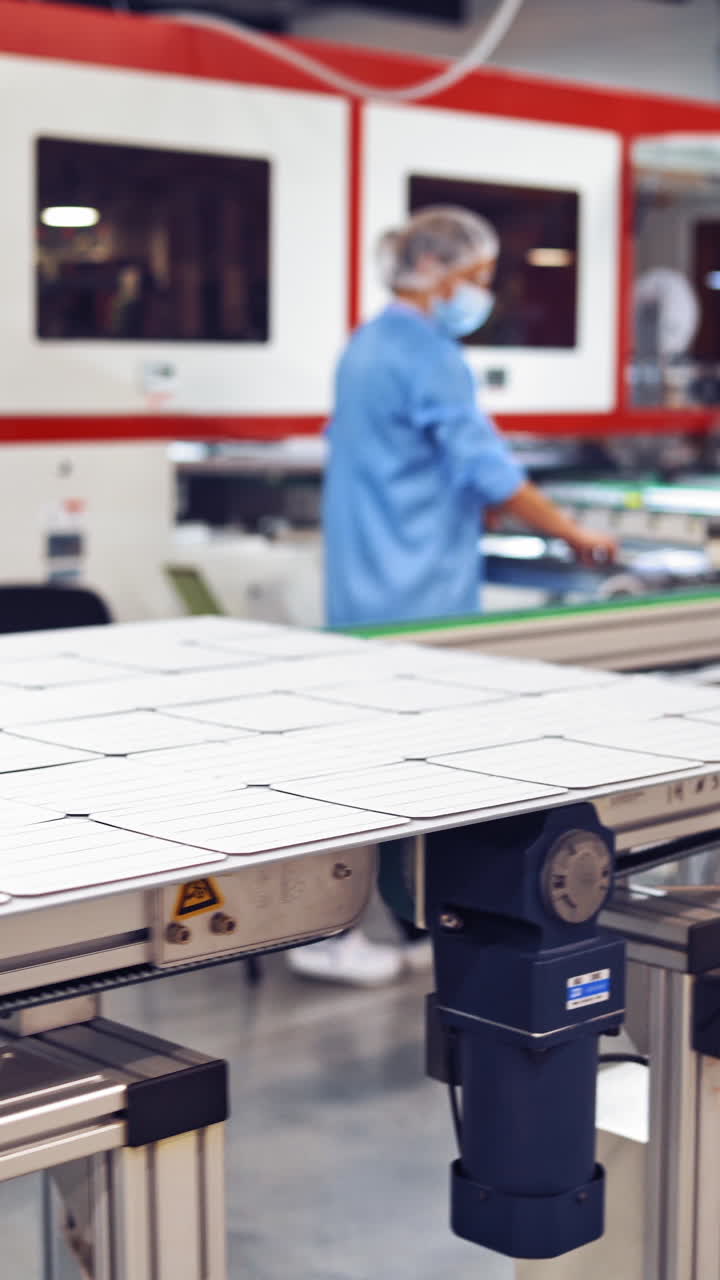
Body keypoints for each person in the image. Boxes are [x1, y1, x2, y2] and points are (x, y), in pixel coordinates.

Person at [288, 206, 617, 987]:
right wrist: (576, 535)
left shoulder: (366, 344)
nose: (482, 294)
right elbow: (485, 464)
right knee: (409, 770)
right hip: (417, 593)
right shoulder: (431, 355)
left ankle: (377, 924)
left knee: (370, 761)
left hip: (366, 582)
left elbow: (420, 457)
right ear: (438, 272)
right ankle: (355, 929)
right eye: (478, 278)